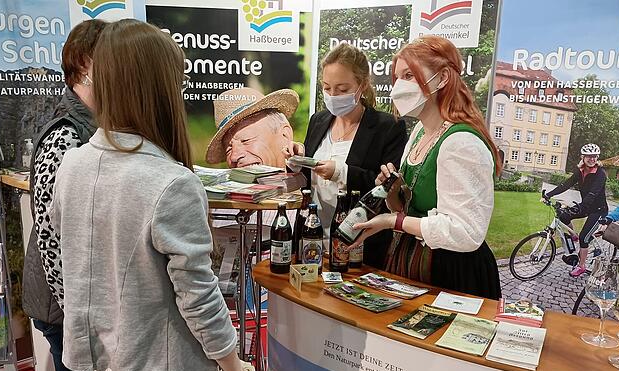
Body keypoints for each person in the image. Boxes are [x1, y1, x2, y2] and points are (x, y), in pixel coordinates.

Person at [49, 19, 252, 371]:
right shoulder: (172, 182)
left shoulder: (72, 166)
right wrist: (235, 370)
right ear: (161, 86)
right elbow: (197, 296)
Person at [350, 36, 501, 299]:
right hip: (413, 261)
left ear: (442, 78)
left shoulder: (460, 143)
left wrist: (393, 222)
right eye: (397, 78)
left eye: (409, 75)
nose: (398, 87)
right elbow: (411, 202)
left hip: (452, 274)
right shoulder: (420, 131)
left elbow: (466, 232)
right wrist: (394, 189)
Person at [21, 19, 107, 371]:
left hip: (78, 306)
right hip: (65, 307)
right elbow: (55, 242)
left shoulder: (93, 125)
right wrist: (80, 317)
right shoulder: (67, 136)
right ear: (83, 69)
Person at [295, 42, 405, 268]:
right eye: (327, 88)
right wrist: (297, 160)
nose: (333, 95)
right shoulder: (319, 120)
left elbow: (386, 188)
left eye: (342, 89)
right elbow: (308, 177)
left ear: (362, 85)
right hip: (312, 239)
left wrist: (342, 173)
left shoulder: (388, 127)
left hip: (359, 247)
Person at [543, 143, 608, 277]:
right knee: (564, 216)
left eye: (595, 156)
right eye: (589, 156)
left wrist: (579, 207)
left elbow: (592, 194)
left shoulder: (600, 174)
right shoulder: (580, 171)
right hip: (585, 206)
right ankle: (574, 236)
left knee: (584, 237)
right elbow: (566, 184)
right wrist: (549, 194)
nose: (592, 159)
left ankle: (582, 266)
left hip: (598, 210)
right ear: (583, 157)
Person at [206, 87, 303, 168]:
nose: (234, 157)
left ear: (285, 135)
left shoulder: (314, 178)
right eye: (228, 149)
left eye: (245, 140)